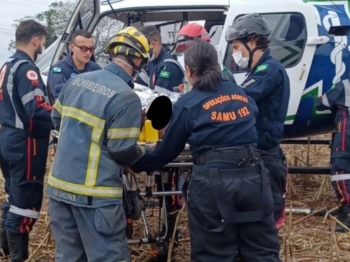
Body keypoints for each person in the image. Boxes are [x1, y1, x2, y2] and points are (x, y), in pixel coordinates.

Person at [127, 40, 281, 262]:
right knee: (261, 253)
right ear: (217, 66)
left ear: (188, 71)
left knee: (214, 255)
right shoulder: (242, 95)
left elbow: (166, 152)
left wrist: (136, 161)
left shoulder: (188, 103)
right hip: (254, 176)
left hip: (213, 185)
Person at [46, 26, 151, 262]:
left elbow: (56, 120)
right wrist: (146, 149)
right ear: (138, 60)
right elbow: (123, 151)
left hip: (59, 191)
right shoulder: (126, 97)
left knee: (70, 258)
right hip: (95, 199)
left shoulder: (77, 82)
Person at [225, 13, 290, 230]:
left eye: (236, 46)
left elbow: (242, 100)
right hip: (258, 156)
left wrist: (223, 89)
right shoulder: (259, 70)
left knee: (264, 229)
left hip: (265, 157)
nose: (235, 53)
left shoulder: (269, 70)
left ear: (252, 42)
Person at [0, 19, 52, 261]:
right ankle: (16, 257)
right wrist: (62, 113)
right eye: (44, 40)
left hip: (8, 138)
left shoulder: (7, 65)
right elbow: (36, 110)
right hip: (25, 143)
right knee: (24, 205)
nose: (44, 44)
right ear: (37, 39)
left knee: (13, 197)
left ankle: (5, 247)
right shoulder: (27, 69)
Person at [316, 79, 350, 232]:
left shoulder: (345, 85)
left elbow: (323, 102)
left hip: (347, 134)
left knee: (341, 172)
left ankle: (347, 213)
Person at [175, 22, 236, 90]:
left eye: (188, 51)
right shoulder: (188, 76)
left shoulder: (223, 75)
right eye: (184, 52)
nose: (187, 56)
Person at [48, 30, 101, 99]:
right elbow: (61, 96)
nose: (88, 52)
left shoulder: (96, 69)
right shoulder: (59, 69)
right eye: (84, 48)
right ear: (72, 47)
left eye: (91, 49)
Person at [135, 25, 184, 93]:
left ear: (153, 44)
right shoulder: (152, 62)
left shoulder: (167, 67)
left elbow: (159, 98)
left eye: (144, 48)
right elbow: (139, 84)